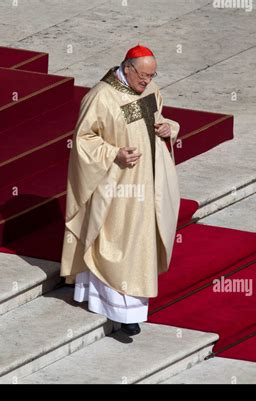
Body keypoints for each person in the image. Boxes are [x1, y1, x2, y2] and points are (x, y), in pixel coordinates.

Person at [60, 44, 180, 336]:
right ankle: (119, 309)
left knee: (140, 243)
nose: (147, 82)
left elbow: (153, 121)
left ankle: (131, 309)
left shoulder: (150, 91)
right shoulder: (100, 97)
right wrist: (115, 154)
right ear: (127, 68)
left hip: (146, 181)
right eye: (143, 75)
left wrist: (168, 128)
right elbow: (84, 140)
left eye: (152, 76)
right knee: (118, 240)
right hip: (116, 184)